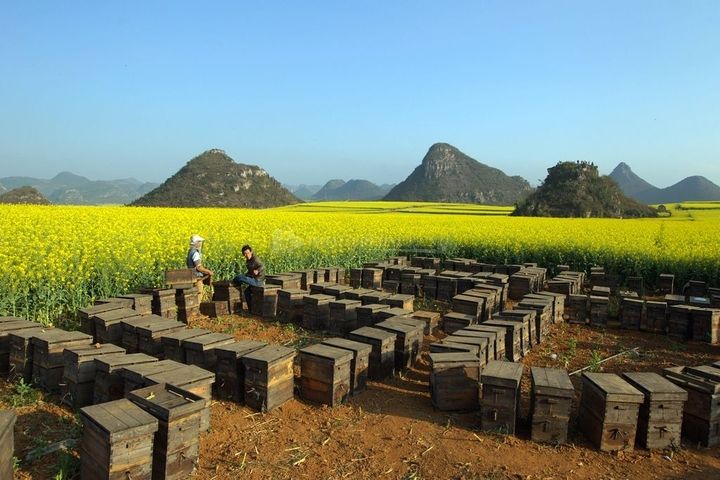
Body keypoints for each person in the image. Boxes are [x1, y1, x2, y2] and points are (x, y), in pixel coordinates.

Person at [233, 244, 265, 311]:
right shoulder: (248, 260)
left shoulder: (255, 259)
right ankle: (251, 309)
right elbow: (250, 271)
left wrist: (257, 270)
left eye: (247, 253)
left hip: (258, 281)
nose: (246, 255)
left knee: (240, 278)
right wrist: (246, 275)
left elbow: (262, 266)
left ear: (251, 252)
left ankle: (235, 280)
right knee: (246, 292)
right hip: (254, 279)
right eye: (244, 254)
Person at [187, 234, 213, 303]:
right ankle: (197, 309)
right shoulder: (195, 253)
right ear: (197, 242)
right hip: (196, 277)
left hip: (191, 276)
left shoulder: (190, 251)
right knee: (199, 293)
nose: (201, 244)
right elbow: (198, 267)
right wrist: (208, 271)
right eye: (200, 242)